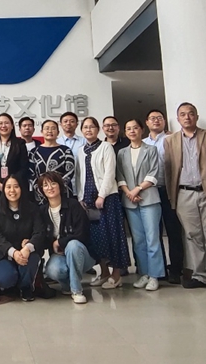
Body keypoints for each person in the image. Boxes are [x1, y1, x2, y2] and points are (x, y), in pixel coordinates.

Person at [164, 102, 206, 292]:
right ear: (178, 118)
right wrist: (171, 196)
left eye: (191, 113)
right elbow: (169, 171)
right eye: (183, 114)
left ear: (197, 116)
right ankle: (199, 275)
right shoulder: (170, 141)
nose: (187, 117)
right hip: (183, 193)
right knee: (192, 236)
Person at [76, 117, 130, 289]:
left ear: (98, 129)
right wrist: (81, 198)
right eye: (85, 127)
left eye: (91, 127)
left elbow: (109, 173)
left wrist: (102, 196)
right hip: (88, 200)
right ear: (81, 130)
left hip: (107, 199)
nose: (88, 130)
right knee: (96, 239)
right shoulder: (81, 151)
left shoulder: (106, 147)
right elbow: (79, 176)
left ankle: (116, 275)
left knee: (113, 236)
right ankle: (104, 272)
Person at [117, 119, 165, 291]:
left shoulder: (151, 150)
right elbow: (120, 175)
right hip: (130, 201)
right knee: (138, 241)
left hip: (149, 199)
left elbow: (154, 173)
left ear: (142, 130)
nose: (132, 131)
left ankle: (155, 275)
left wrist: (137, 189)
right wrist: (129, 192)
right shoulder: (122, 152)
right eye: (128, 129)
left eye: (135, 128)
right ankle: (144, 273)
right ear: (125, 132)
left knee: (152, 239)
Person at [38, 172, 94, 304]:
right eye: (45, 185)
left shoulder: (73, 205)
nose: (50, 188)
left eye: (53, 183)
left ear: (60, 185)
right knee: (52, 270)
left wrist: (60, 242)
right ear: (41, 190)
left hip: (82, 254)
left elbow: (82, 234)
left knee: (73, 245)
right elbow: (41, 237)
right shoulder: (42, 211)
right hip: (60, 256)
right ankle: (66, 285)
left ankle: (76, 290)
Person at [0, 174, 44, 301]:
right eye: (8, 187)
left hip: (26, 253)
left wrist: (27, 248)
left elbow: (39, 232)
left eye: (16, 186)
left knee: (31, 259)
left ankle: (26, 287)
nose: (12, 190)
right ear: (4, 189)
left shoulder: (32, 208)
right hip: (3, 254)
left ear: (22, 188)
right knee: (5, 278)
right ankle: (12, 284)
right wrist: (13, 252)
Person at [144, 109, 184, 284]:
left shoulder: (172, 139)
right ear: (147, 122)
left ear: (164, 121)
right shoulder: (143, 143)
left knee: (174, 231)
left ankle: (176, 269)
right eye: (152, 118)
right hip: (150, 191)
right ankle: (159, 270)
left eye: (159, 118)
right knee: (154, 232)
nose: (156, 121)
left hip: (169, 190)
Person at [0, 113, 29, 204]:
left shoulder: (20, 144)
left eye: (6, 123)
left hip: (15, 189)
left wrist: (10, 184)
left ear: (12, 126)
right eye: (0, 123)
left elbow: (24, 167)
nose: (3, 126)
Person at [29, 119, 75, 204]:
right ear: (42, 132)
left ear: (58, 132)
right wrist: (41, 188)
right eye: (47, 128)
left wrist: (57, 187)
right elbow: (31, 173)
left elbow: (70, 171)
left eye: (53, 128)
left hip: (63, 192)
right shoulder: (34, 152)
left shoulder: (66, 150)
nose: (50, 131)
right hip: (40, 194)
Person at [56, 112, 86, 196]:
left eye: (72, 121)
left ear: (77, 124)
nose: (68, 123)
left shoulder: (84, 141)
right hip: (62, 186)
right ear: (60, 124)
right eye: (65, 121)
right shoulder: (56, 143)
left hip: (81, 184)